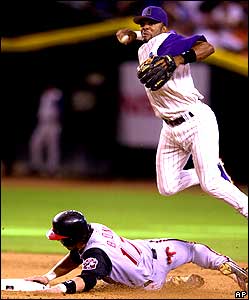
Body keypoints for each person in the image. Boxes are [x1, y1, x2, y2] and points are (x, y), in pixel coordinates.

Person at [115, 5, 248, 219]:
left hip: (195, 120)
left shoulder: (169, 40)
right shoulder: (144, 47)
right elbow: (142, 35)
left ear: (164, 26)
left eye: (151, 23)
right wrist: (133, 34)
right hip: (169, 128)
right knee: (167, 187)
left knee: (211, 184)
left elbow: (207, 47)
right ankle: (208, 169)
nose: (146, 26)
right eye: (142, 23)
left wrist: (176, 60)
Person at [25, 210, 248, 294]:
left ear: (72, 240)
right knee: (194, 250)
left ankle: (170, 286)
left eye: (62, 238)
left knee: (112, 282)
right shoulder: (93, 229)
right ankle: (233, 268)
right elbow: (77, 255)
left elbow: (87, 280)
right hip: (154, 250)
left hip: (148, 280)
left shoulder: (95, 253)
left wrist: (59, 288)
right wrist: (48, 276)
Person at [29, 85, 63, 176]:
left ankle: (52, 169)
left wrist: (59, 119)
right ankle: (37, 167)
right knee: (35, 143)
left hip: (53, 123)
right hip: (42, 123)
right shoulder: (44, 94)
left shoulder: (57, 93)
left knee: (53, 147)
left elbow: (60, 107)